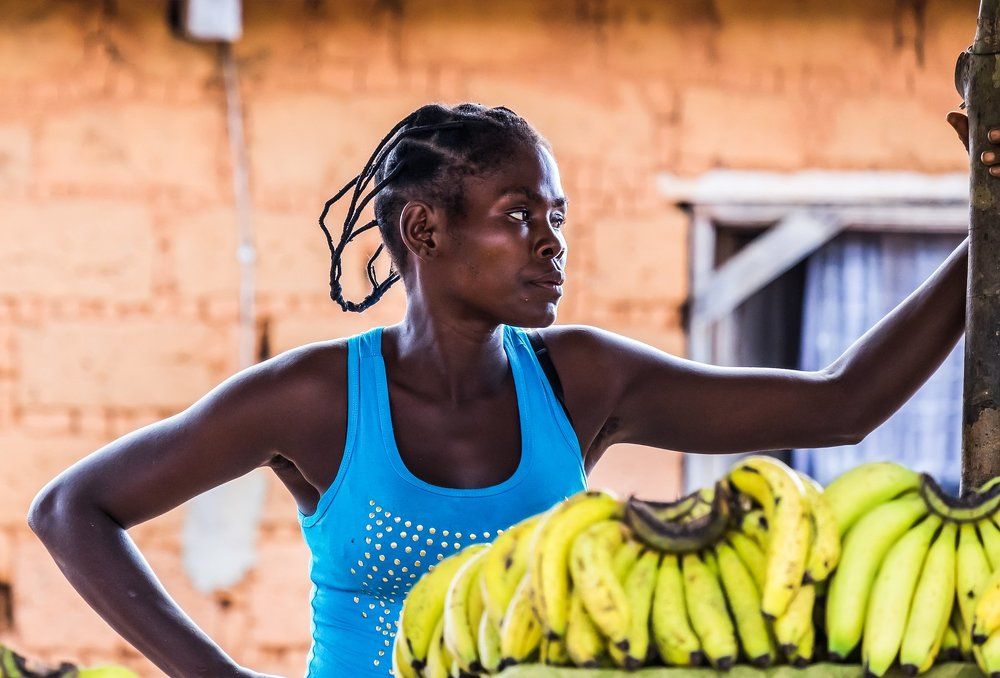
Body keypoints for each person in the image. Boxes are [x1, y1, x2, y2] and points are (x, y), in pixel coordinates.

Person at [25, 102, 993, 677]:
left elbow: (840, 402)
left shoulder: (582, 380)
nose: (550, 244)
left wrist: (984, 228)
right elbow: (74, 507)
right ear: (424, 230)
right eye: (517, 215)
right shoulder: (316, 398)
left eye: (557, 217)